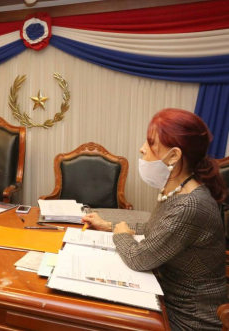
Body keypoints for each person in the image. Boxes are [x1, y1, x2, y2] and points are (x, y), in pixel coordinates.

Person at [81, 108, 227, 331]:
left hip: (190, 318)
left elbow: (138, 258)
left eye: (150, 143)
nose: (142, 148)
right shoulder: (180, 187)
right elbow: (158, 229)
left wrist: (121, 235)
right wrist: (109, 225)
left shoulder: (190, 204)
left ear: (175, 155)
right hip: (167, 296)